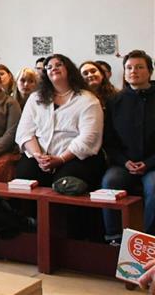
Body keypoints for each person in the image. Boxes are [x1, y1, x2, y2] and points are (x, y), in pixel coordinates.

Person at [14, 54, 104, 188]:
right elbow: (25, 132)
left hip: (75, 157)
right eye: (49, 67)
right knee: (25, 175)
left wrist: (61, 159)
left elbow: (89, 137)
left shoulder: (88, 99)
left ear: (69, 69)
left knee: (65, 183)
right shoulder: (35, 98)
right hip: (40, 156)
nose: (53, 68)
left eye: (58, 65)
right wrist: (38, 156)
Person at [101, 50, 155, 243]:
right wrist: (125, 162)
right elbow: (109, 141)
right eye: (129, 68)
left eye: (140, 67)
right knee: (109, 183)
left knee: (154, 187)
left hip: (153, 164)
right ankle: (113, 237)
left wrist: (148, 164)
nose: (134, 71)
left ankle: (148, 241)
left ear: (149, 71)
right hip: (124, 163)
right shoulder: (115, 101)